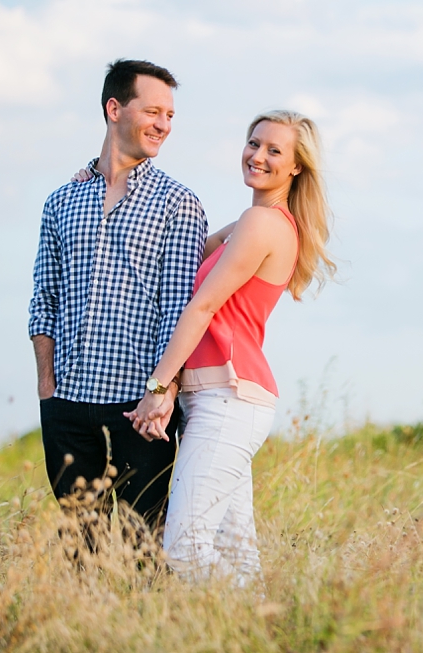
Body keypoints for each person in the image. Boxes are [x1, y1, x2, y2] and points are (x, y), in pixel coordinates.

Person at [124, 110, 335, 582]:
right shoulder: (254, 221)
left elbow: (201, 306)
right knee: (237, 554)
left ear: (296, 167)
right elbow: (186, 250)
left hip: (228, 398)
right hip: (226, 400)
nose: (257, 155)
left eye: (274, 150)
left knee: (184, 548)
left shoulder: (262, 224)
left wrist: (158, 387)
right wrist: (102, 176)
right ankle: (258, 620)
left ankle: (265, 617)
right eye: (254, 143)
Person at [28, 59, 208, 530]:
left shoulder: (178, 204)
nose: (164, 125)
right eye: (153, 112)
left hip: (139, 410)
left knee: (140, 545)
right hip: (67, 405)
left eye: (170, 115)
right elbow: (44, 298)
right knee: (79, 545)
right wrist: (47, 388)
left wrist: (162, 394)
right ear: (114, 109)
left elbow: (179, 311)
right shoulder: (62, 201)